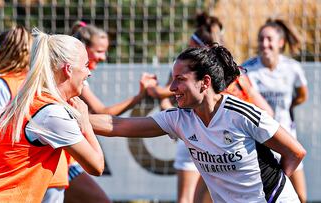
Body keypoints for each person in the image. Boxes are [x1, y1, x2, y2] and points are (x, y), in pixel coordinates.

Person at [90, 46, 306, 203]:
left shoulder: (239, 114)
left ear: (205, 82)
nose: (172, 87)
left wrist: (272, 192)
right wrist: (72, 116)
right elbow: (116, 125)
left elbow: (295, 152)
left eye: (180, 79)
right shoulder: (179, 118)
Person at [0, 29, 104, 202]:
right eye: (85, 65)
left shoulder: (24, 103)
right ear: (68, 69)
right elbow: (97, 166)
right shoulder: (51, 114)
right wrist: (85, 122)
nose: (89, 73)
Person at [146, 12, 273, 203]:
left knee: (188, 199)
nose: (187, 50)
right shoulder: (236, 73)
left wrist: (150, 88)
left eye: (191, 46)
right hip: (221, 143)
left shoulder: (196, 76)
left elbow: (163, 94)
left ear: (200, 48)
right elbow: (267, 112)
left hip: (202, 137)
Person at [60, 21, 156, 203]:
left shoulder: (73, 75)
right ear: (82, 48)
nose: (104, 57)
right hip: (59, 162)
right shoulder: (69, 76)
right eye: (99, 51)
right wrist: (139, 96)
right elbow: (102, 112)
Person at [244, 18, 308, 203]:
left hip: (288, 140)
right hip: (263, 143)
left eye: (269, 39)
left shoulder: (292, 68)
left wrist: (286, 109)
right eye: (261, 39)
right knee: (266, 197)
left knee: (300, 197)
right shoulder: (248, 69)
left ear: (280, 43)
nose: (265, 44)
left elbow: (302, 95)